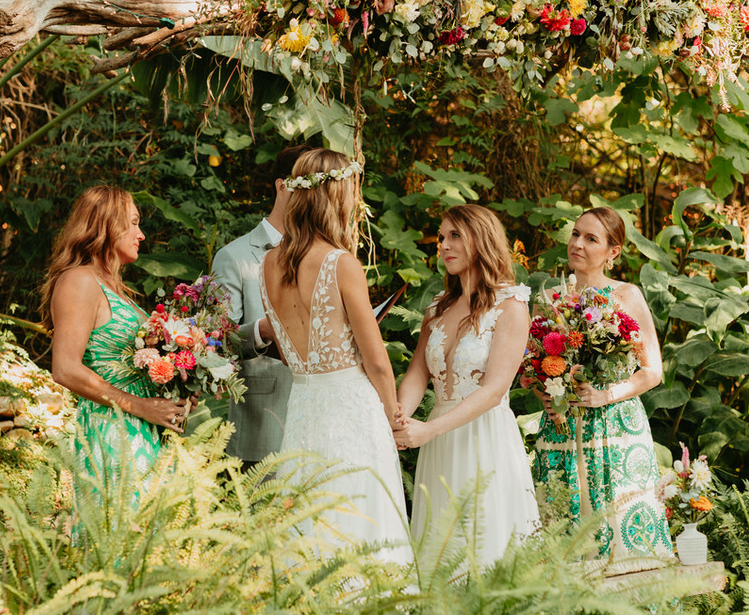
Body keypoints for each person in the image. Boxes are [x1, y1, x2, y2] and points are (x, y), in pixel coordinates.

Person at [259, 148, 411, 562]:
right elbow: (376, 360)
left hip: (304, 404)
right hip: (351, 407)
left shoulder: (268, 264)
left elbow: (291, 355)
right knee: (362, 517)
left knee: (310, 513)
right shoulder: (341, 263)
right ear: (337, 197)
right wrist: (392, 412)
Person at [394, 204, 539, 567]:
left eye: (455, 235)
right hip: (438, 442)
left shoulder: (511, 304)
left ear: (482, 239)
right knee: (441, 550)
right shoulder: (437, 309)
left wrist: (427, 429)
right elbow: (416, 375)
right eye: (442, 237)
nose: (443, 245)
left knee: (484, 545)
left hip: (484, 438)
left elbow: (494, 391)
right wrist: (396, 418)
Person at [532, 206, 673, 573]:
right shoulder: (549, 301)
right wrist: (545, 394)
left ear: (613, 252)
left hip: (616, 428)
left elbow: (652, 371)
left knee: (621, 525)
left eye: (591, 238)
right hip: (561, 428)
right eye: (576, 234)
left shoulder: (626, 295)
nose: (577, 243)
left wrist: (606, 394)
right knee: (562, 526)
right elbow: (530, 368)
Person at [42, 186, 191, 500]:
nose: (142, 234)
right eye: (134, 222)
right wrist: (140, 406)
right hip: (113, 431)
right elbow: (65, 369)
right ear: (108, 224)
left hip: (145, 427)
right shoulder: (79, 280)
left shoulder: (118, 289)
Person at [210, 145, 310, 469]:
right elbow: (216, 342)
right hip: (263, 423)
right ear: (282, 186)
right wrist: (263, 330)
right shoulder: (234, 256)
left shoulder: (323, 255)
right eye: (306, 185)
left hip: (320, 419)